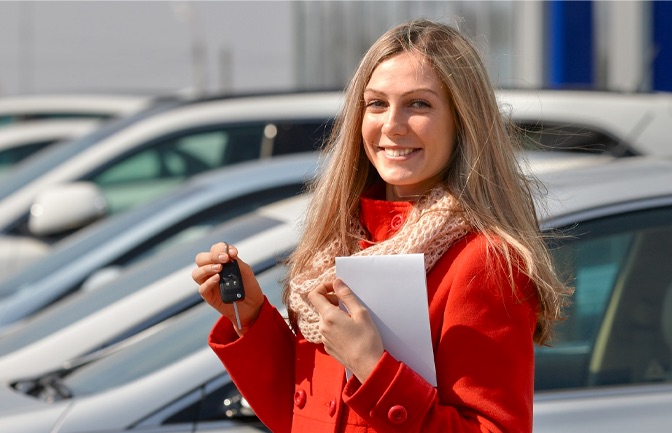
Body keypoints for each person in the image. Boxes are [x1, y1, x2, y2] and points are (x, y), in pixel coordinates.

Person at [192, 18, 570, 433]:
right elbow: (305, 419)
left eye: (419, 104)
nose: (392, 124)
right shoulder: (340, 243)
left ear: (463, 121)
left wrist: (372, 368)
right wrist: (249, 316)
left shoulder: (484, 260)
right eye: (376, 104)